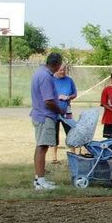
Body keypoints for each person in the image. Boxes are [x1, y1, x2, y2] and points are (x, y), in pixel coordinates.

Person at [30, 52, 65, 190]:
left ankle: (39, 178)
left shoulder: (40, 73)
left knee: (41, 146)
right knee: (42, 146)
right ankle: (40, 180)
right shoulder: (45, 77)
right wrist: (59, 110)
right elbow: (48, 100)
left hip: (40, 114)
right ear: (56, 64)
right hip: (45, 116)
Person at [52, 62, 77, 160]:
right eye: (60, 70)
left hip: (67, 110)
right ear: (56, 70)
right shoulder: (52, 81)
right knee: (54, 132)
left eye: (64, 70)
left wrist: (67, 97)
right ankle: (54, 156)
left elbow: (74, 94)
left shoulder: (69, 80)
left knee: (70, 131)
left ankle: (73, 154)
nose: (62, 72)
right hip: (54, 111)